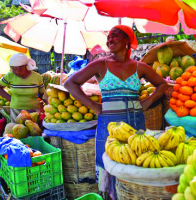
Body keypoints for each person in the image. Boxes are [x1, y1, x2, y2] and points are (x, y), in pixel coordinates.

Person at [64, 25, 168, 199]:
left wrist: (148, 101)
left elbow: (162, 84)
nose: (109, 40)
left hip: (136, 122)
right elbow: (70, 83)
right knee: (109, 165)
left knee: (134, 161)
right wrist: (94, 106)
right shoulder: (100, 64)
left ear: (127, 40)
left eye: (115, 36)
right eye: (109, 37)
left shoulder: (139, 67)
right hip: (109, 125)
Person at [0, 53, 46, 123]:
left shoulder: (37, 77)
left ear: (24, 66)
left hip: (34, 111)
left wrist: (48, 106)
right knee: (17, 131)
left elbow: (43, 94)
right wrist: (10, 99)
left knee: (34, 132)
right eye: (12, 69)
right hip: (16, 111)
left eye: (16, 69)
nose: (15, 72)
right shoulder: (10, 75)